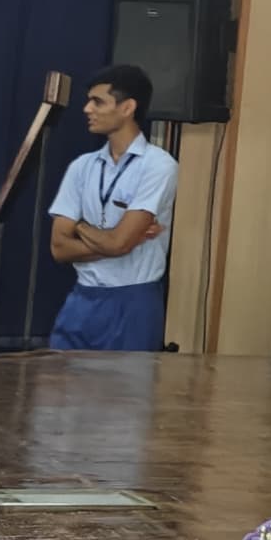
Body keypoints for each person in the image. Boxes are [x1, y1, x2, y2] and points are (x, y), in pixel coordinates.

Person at [44, 65, 176, 352]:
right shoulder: (82, 167)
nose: (87, 109)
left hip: (132, 301)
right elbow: (59, 248)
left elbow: (120, 243)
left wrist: (79, 225)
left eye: (98, 101)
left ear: (127, 107)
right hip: (81, 299)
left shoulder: (158, 165)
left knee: (125, 382)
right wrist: (118, 240)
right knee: (60, 379)